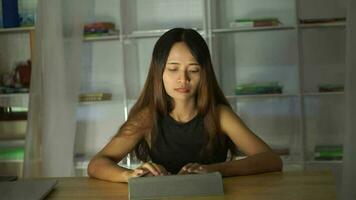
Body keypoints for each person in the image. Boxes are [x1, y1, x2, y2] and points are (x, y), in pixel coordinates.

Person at [87, 28, 282, 183]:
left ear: (204, 74)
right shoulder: (147, 117)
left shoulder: (219, 115)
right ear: (159, 73)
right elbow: (96, 164)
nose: (183, 79)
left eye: (194, 70)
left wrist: (213, 170)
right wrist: (130, 175)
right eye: (173, 69)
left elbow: (271, 160)